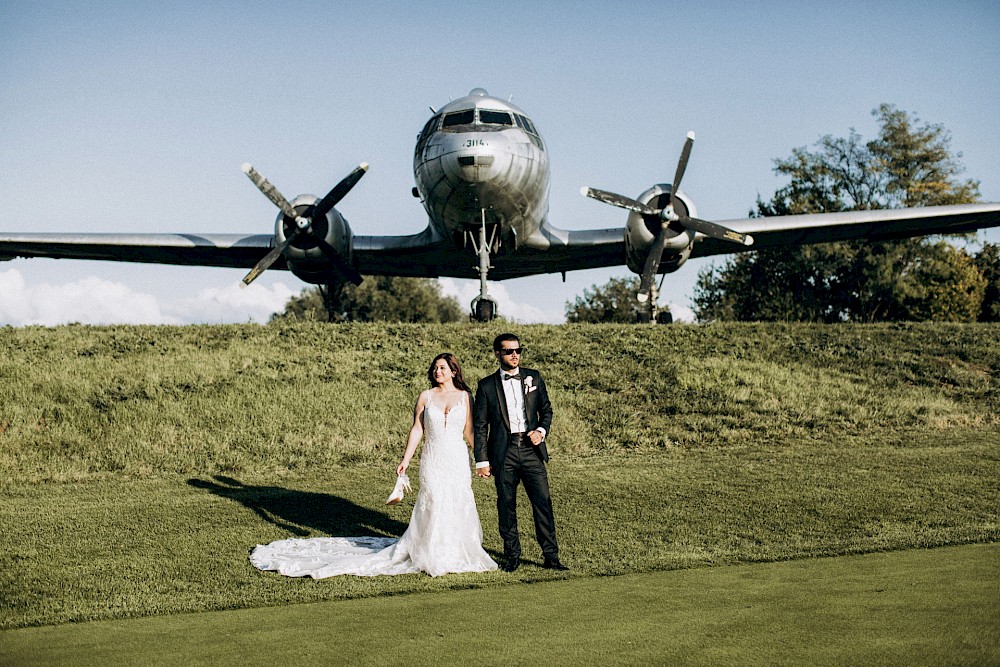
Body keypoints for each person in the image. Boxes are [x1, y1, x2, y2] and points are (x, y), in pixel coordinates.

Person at [250, 353, 497, 578]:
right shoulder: (426, 396)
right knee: (432, 499)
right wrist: (405, 460)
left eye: (442, 368)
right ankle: (430, 552)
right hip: (432, 458)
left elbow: (470, 431)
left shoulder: (466, 397)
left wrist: (482, 460)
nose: (437, 371)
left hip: (456, 458)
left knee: (456, 499)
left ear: (454, 371)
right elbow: (417, 430)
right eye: (434, 368)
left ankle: (454, 550)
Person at [474, 333, 568, 572]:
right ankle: (512, 556)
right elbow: (481, 425)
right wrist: (482, 460)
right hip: (503, 453)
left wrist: (541, 430)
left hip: (531, 450)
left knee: (543, 502)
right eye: (508, 351)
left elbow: (546, 410)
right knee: (506, 505)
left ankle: (551, 557)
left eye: (518, 350)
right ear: (497, 353)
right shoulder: (486, 386)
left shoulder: (533, 377)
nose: (514, 355)